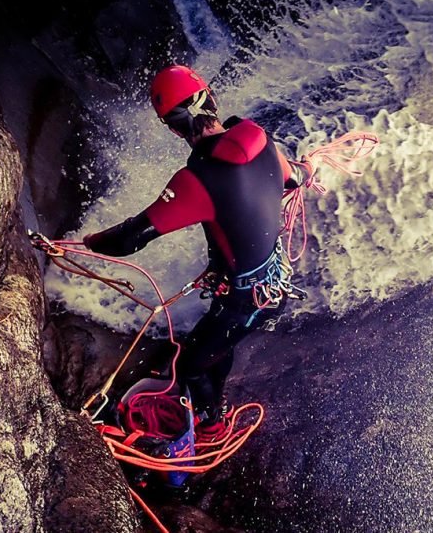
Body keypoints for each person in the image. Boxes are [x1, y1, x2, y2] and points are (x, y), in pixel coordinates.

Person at [83, 65, 313, 433]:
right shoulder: (260, 138)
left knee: (191, 365)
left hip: (248, 299)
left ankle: (212, 424)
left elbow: (129, 239)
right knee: (214, 341)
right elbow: (294, 178)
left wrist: (85, 242)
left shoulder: (196, 180)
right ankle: (212, 395)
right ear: (212, 99)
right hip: (271, 279)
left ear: (174, 129)